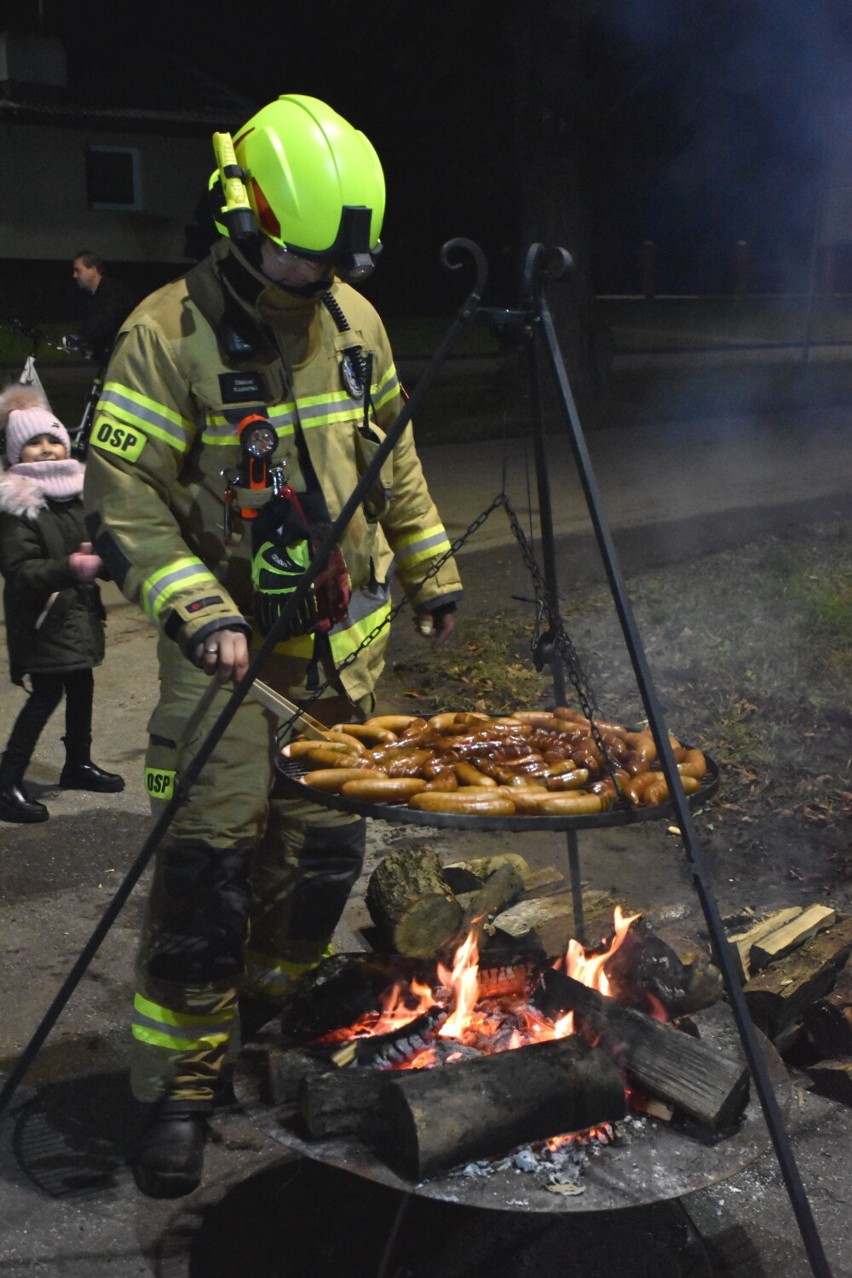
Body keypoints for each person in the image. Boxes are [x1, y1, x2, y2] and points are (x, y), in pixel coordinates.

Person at [83, 93, 463, 1199]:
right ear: (242, 215)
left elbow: (393, 459)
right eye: (301, 261)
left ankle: (267, 1026)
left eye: (335, 264)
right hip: (230, 674)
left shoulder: (356, 322)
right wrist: (202, 610)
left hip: (346, 667)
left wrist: (431, 567)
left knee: (319, 866)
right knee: (208, 879)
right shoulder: (165, 337)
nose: (318, 282)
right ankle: (181, 1094)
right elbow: (129, 505)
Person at [0, 386, 125, 824]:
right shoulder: (19, 503)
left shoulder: (75, 493)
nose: (48, 449)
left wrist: (108, 561)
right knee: (47, 693)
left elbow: (96, 546)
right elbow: (20, 571)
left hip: (77, 614)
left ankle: (78, 763)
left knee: (82, 687)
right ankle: (8, 778)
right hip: (41, 618)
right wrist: (72, 566)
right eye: (35, 442)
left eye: (53, 439)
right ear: (17, 450)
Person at [64, 252, 134, 368]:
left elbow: (106, 318)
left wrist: (81, 336)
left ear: (92, 269)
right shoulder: (96, 296)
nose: (74, 275)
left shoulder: (113, 292)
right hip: (114, 359)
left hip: (125, 360)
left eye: (78, 270)